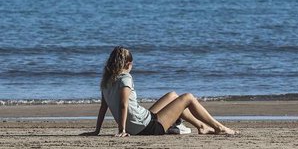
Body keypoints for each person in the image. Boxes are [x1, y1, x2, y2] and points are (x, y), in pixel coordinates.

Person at [82, 46, 238, 137]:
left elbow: (103, 108)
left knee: (173, 96)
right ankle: (219, 127)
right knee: (188, 97)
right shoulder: (125, 78)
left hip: (142, 120)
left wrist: (97, 131)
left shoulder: (106, 82)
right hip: (147, 127)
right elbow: (123, 105)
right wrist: (122, 130)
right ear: (128, 64)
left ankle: (201, 126)